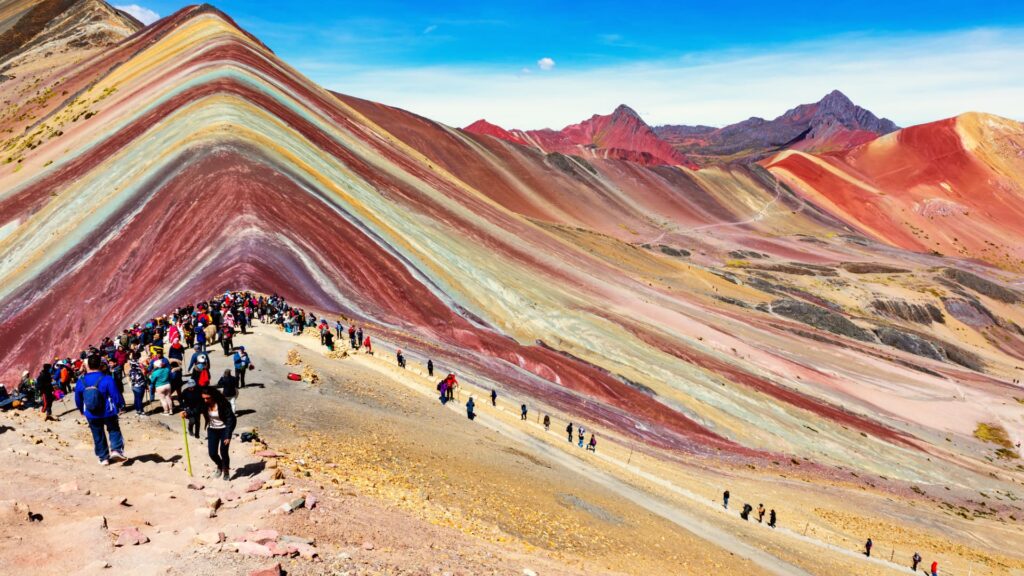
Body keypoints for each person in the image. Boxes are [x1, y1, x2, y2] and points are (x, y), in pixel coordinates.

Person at [74, 355, 126, 465]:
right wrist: (120, 405)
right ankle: (116, 450)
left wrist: (81, 410)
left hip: (91, 413)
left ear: (87, 366)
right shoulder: (107, 378)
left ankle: (103, 458)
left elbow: (78, 398)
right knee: (113, 429)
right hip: (108, 411)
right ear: (100, 365)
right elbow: (115, 394)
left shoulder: (81, 381)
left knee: (97, 434)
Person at [199, 386, 236, 480]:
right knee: (212, 453)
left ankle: (226, 470)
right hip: (212, 429)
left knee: (223, 451)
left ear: (213, 396)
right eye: (204, 398)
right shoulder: (204, 404)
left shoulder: (223, 403)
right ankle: (220, 465)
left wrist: (228, 435)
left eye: (207, 398)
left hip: (224, 430)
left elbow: (230, 419)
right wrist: (187, 413)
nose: (205, 400)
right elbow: (196, 410)